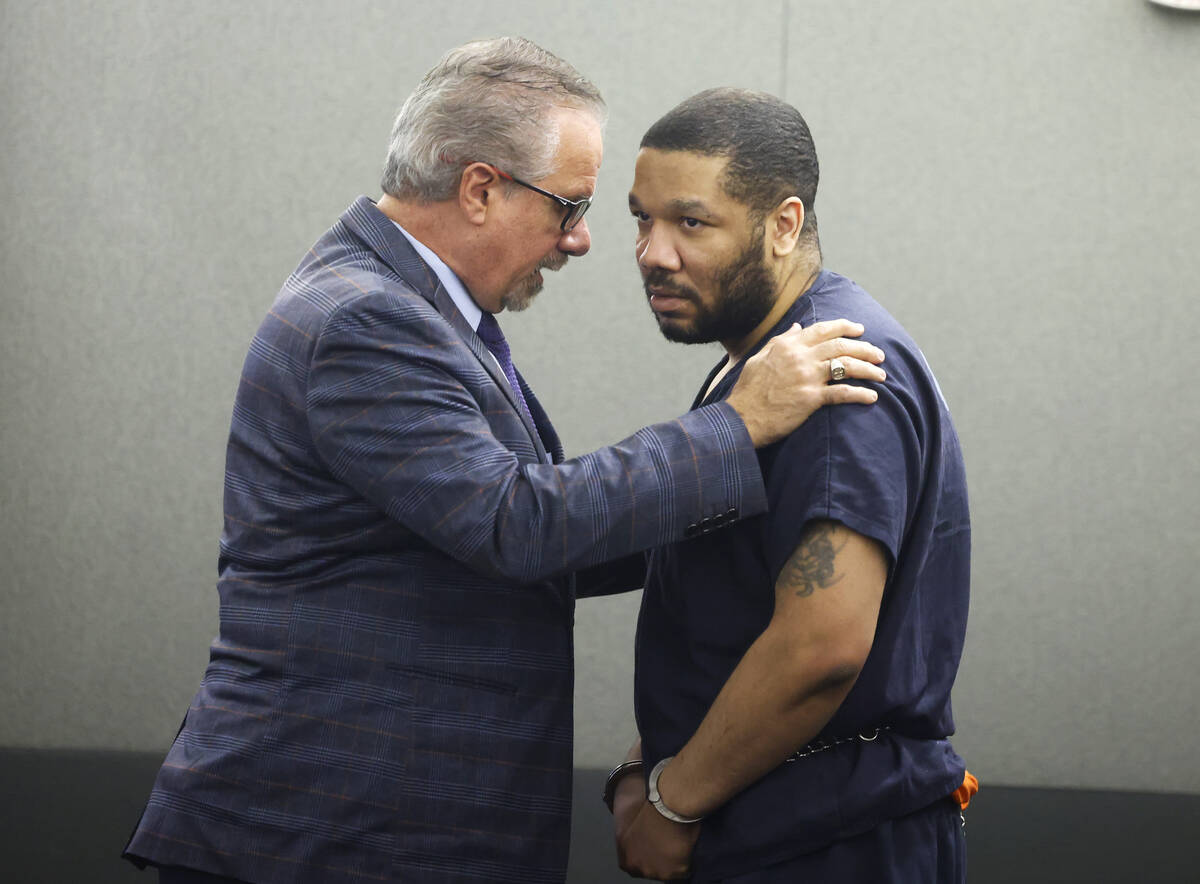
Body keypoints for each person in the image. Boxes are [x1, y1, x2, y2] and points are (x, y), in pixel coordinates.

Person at [121, 41, 886, 884]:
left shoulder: (405, 309)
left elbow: (538, 537)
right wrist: (739, 428)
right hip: (326, 838)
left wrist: (761, 482)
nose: (585, 242)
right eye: (571, 207)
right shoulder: (365, 321)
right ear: (481, 187)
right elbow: (515, 524)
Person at [608, 88, 974, 882]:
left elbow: (822, 645)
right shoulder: (761, 369)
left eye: (690, 222)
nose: (652, 252)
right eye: (641, 218)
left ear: (783, 223)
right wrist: (648, 765)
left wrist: (673, 806)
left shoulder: (835, 375)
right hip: (770, 826)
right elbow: (729, 604)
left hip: (829, 841)